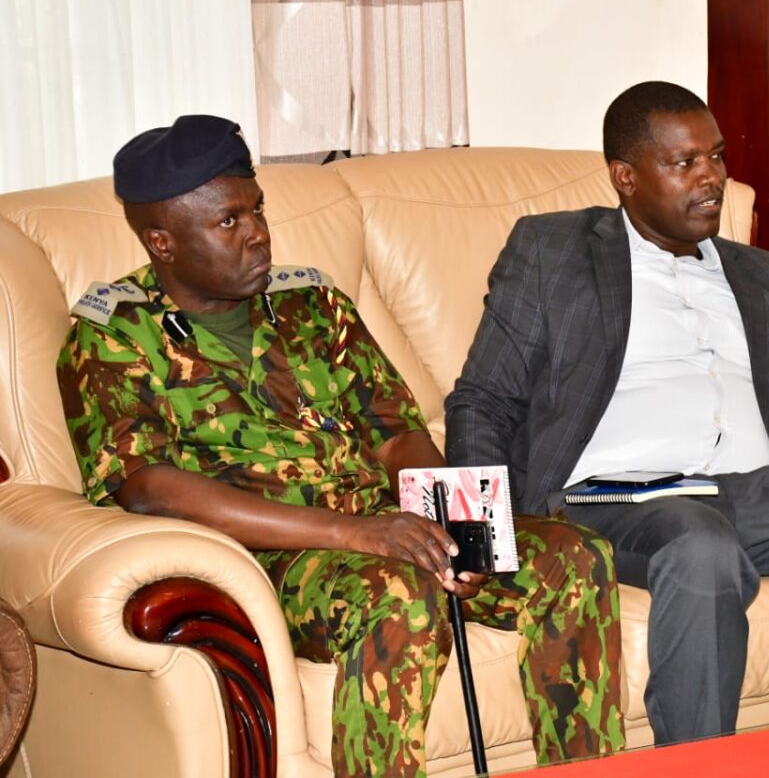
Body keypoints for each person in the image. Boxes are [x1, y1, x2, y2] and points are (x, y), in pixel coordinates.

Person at [56, 115, 624, 778]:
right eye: (228, 223)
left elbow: (396, 434)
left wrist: (452, 528)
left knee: (574, 557)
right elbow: (149, 490)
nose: (258, 235)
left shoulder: (312, 303)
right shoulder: (115, 338)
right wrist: (358, 534)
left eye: (257, 210)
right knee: (399, 593)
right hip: (274, 560)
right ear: (163, 242)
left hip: (381, 528)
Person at [444, 81, 769, 746]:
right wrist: (473, 538)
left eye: (717, 158)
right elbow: (484, 397)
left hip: (759, 493)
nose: (711, 179)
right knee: (701, 545)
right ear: (625, 177)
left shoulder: (762, 275)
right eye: (683, 164)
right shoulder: (556, 253)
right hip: (621, 499)